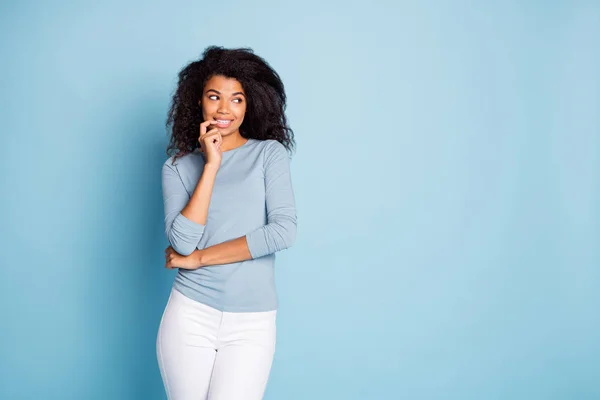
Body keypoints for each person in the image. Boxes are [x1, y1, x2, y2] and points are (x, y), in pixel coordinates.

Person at [156, 46, 297, 400]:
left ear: (250, 105)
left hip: (252, 322)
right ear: (198, 102)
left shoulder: (268, 154)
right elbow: (184, 242)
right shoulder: (177, 167)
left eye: (236, 99)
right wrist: (212, 165)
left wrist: (201, 259)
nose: (224, 109)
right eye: (214, 97)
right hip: (190, 314)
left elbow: (282, 231)